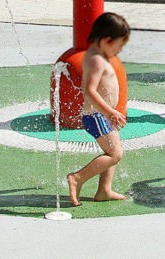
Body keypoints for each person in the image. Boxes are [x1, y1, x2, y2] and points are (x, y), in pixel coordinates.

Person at [66, 12, 131, 206]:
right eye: (119, 45)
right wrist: (109, 112)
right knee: (115, 154)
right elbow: (90, 91)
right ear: (106, 40)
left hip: (102, 115)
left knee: (113, 149)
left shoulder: (99, 56)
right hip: (96, 115)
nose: (119, 50)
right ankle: (77, 178)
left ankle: (104, 190)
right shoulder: (96, 59)